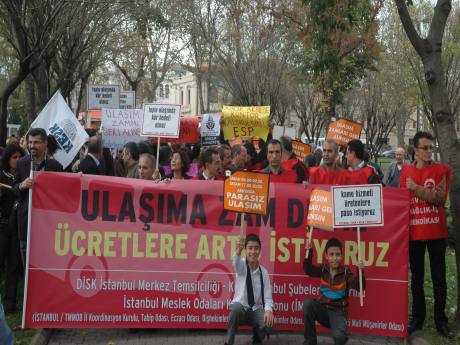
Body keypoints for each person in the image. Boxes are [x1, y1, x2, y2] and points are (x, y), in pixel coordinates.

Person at [400, 131, 453, 339]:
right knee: (418, 280)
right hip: (414, 234)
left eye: (431, 148)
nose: (429, 151)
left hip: (437, 233)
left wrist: (416, 188)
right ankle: (418, 318)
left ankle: (441, 322)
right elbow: (402, 201)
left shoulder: (442, 170)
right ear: (416, 151)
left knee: (439, 280)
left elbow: (439, 198)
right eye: (425, 148)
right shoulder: (405, 173)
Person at [13, 128, 63, 265]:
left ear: (45, 143)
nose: (32, 146)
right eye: (30, 142)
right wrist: (22, 185)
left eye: (36, 142)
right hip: (26, 222)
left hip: (48, 224)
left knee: (46, 264)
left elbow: (62, 193)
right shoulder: (21, 163)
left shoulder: (56, 166)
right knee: (27, 264)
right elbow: (14, 189)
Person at [303, 237, 365, 345]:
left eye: (337, 254)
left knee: (339, 337)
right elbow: (308, 270)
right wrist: (309, 251)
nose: (334, 258)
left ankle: (341, 332)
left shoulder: (346, 273)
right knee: (308, 303)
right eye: (331, 255)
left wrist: (361, 272)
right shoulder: (323, 269)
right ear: (326, 256)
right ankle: (310, 342)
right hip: (322, 310)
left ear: (341, 256)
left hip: (338, 313)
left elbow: (359, 287)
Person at [225, 234, 274, 345]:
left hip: (255, 310)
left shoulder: (264, 273)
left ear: (260, 250)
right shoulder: (241, 265)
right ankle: (228, 342)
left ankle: (257, 337)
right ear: (245, 250)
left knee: (269, 322)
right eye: (250, 248)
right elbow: (235, 263)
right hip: (240, 310)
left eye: (256, 248)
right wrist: (238, 251)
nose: (253, 251)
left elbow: (267, 298)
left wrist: (268, 311)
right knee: (236, 309)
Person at [0, 143, 25, 313]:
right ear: (7, 159)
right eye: (13, 157)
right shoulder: (1, 176)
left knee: (14, 267)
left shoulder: (25, 177)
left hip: (17, 227)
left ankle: (10, 303)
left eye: (19, 157)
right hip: (2, 226)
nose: (17, 160)